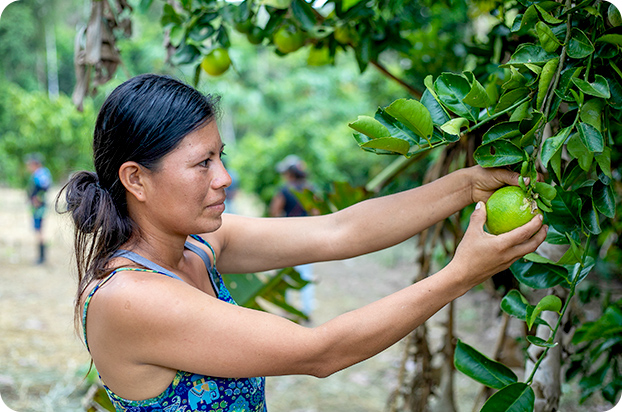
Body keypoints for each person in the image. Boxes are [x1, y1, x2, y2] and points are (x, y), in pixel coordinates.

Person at [57, 74, 547, 412]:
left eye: (220, 157)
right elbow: (320, 352)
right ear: (136, 180)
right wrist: (461, 274)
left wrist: (465, 186)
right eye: (202, 163)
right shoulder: (128, 298)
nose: (224, 177)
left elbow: (340, 230)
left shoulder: (198, 248)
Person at [270, 155, 317, 319]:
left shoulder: (285, 190)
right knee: (306, 274)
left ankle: (287, 309)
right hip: (307, 236)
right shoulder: (311, 189)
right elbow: (317, 212)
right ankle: (308, 308)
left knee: (286, 273)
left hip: (288, 236)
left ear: (290, 173)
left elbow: (275, 212)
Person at [26, 153, 52, 264]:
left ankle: (41, 257)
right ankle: (41, 256)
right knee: (39, 230)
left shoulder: (40, 174)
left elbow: (43, 189)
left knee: (39, 230)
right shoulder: (42, 174)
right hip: (38, 206)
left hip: (39, 207)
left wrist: (37, 199)